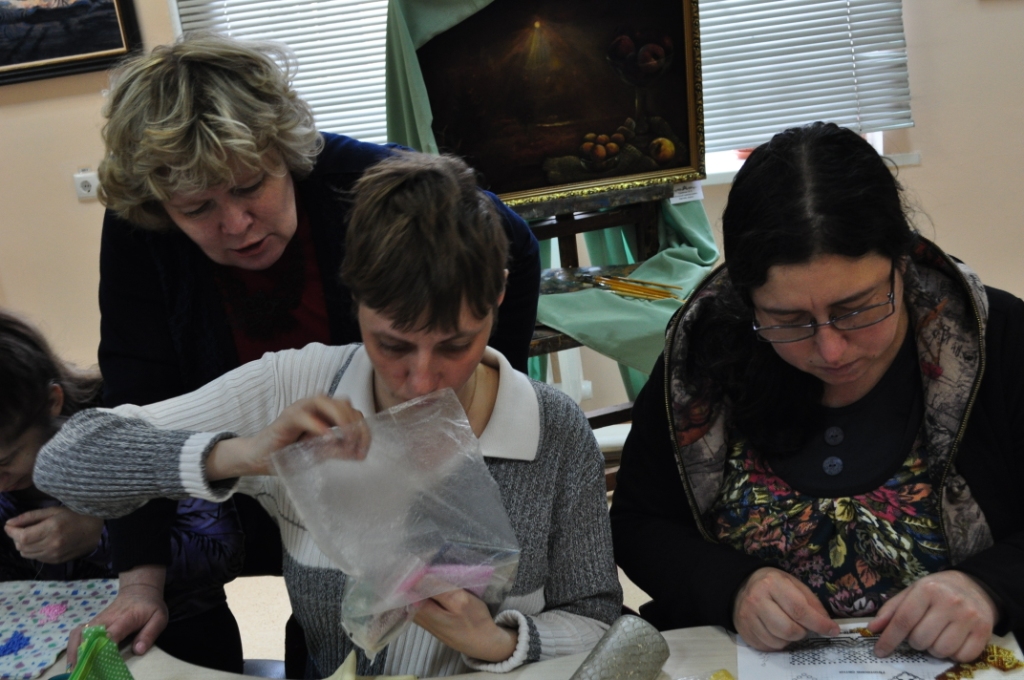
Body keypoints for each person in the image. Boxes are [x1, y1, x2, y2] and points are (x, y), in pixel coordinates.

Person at [35, 152, 621, 678]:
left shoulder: (552, 429)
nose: (422, 381)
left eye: (455, 345)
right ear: (354, 299)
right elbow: (64, 463)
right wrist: (241, 454)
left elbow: (597, 617)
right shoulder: (295, 388)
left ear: (498, 295)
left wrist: (495, 642)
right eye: (392, 345)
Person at [93, 32, 541, 668]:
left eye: (251, 186)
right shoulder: (141, 231)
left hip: (381, 474)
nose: (236, 224)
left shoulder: (364, 183)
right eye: (197, 209)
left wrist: (467, 394)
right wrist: (141, 582)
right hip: (242, 478)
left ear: (286, 151)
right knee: (270, 633)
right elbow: (135, 397)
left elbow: (511, 241)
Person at [610, 122, 1024, 663]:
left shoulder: (996, 340)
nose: (830, 350)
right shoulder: (704, 353)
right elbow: (640, 523)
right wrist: (732, 586)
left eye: (857, 309)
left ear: (903, 262)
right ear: (747, 300)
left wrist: (988, 586)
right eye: (788, 320)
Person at [0, 310, 245, 672]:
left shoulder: (132, 431)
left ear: (53, 401)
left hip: (177, 640)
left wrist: (98, 535)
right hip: (54, 651)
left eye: (6, 461)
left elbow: (221, 552)